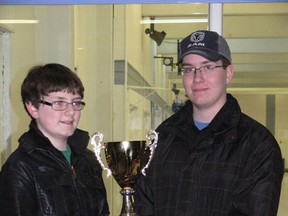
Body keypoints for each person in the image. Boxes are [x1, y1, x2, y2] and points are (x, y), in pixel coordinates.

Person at [134, 30, 284, 216]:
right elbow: (143, 205)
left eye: (208, 67)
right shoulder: (162, 137)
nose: (197, 78)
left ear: (228, 74)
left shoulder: (257, 145)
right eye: (189, 69)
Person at [0, 63, 110, 216]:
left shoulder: (89, 161)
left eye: (76, 102)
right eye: (59, 103)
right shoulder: (20, 167)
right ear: (33, 108)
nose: (71, 111)